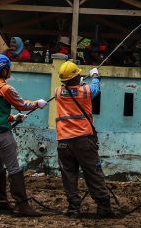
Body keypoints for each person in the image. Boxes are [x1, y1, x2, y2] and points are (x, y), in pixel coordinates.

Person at [0, 54, 47, 216]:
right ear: (3, 70)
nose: (10, 70)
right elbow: (22, 104)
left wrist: (13, 117)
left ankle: (0, 202)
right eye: (8, 67)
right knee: (14, 169)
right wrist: (38, 103)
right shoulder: (6, 88)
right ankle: (22, 205)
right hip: (2, 136)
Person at [55, 61, 115, 218]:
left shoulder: (58, 92)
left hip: (63, 142)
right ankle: (103, 206)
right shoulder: (86, 92)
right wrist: (95, 75)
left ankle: (73, 208)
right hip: (83, 141)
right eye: (78, 75)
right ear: (75, 78)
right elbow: (95, 88)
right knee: (93, 173)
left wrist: (79, 81)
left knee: (68, 175)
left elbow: (72, 88)